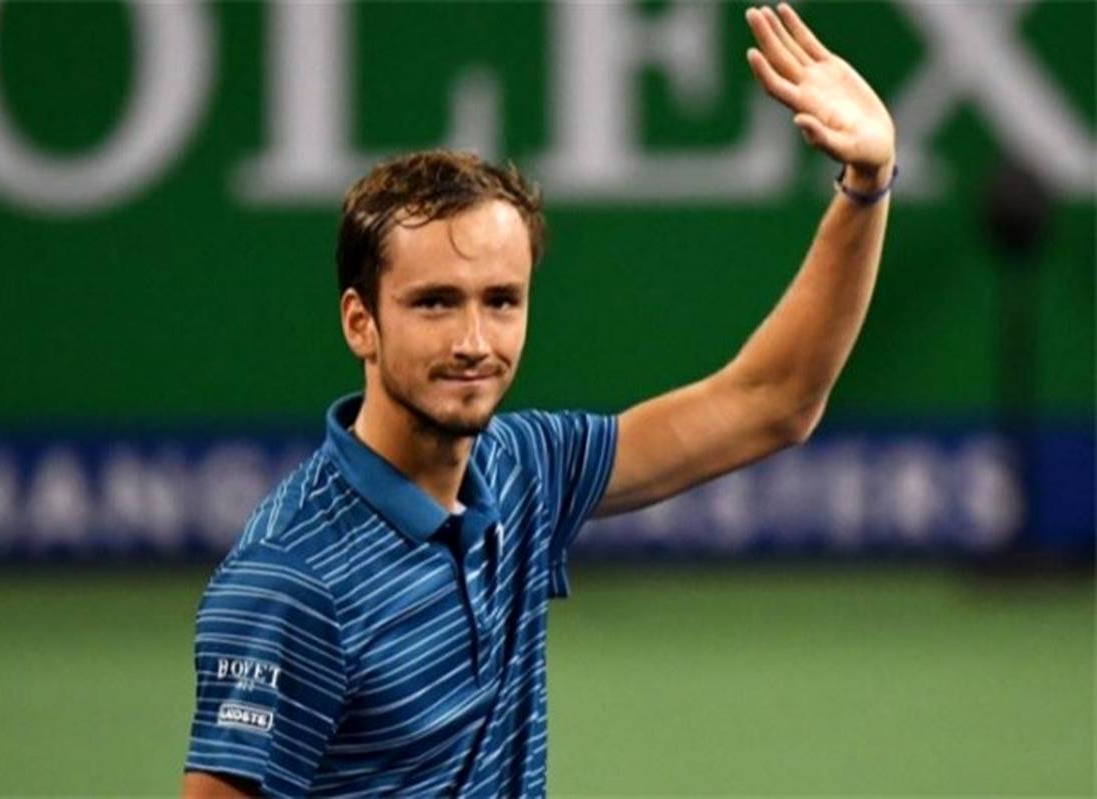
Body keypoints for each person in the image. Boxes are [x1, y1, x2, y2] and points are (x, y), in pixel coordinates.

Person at [182, 4, 896, 796]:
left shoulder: (523, 469)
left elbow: (773, 401)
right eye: (434, 302)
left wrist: (866, 188)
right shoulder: (291, 577)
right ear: (361, 321)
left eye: (501, 300)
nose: (473, 340)